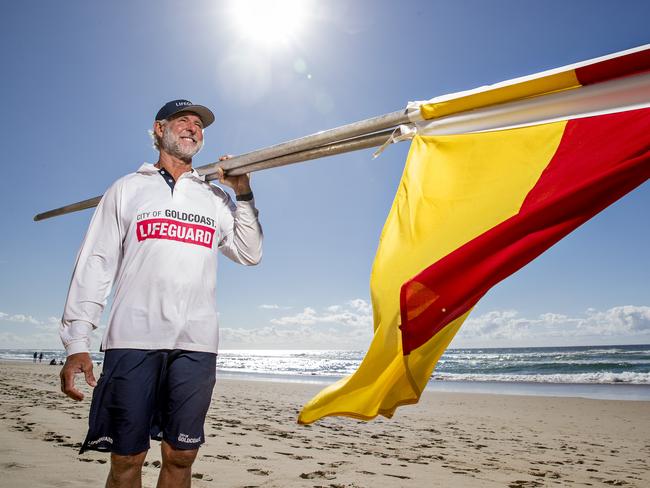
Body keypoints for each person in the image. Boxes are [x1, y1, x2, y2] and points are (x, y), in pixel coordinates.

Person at [58, 99, 263, 488]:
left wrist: (244, 196)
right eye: (183, 120)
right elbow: (95, 264)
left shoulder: (214, 197)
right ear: (159, 129)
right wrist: (76, 342)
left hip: (196, 343)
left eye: (199, 125)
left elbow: (249, 253)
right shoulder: (127, 188)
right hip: (134, 339)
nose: (192, 128)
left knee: (182, 455)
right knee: (127, 458)